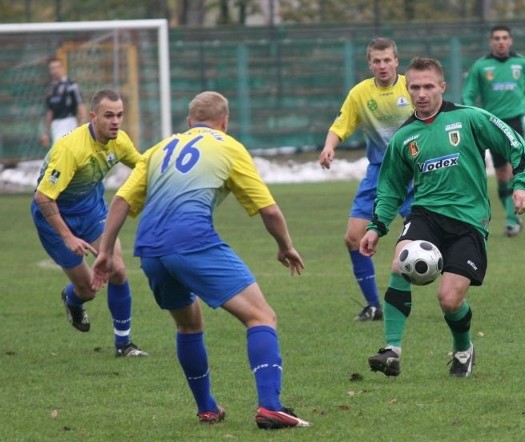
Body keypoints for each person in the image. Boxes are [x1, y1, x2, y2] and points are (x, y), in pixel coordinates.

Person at [91, 91, 311, 429]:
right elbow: (268, 209)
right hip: (192, 241)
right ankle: (270, 406)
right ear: (224, 122)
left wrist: (105, 251)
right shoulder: (228, 145)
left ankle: (207, 408)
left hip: (150, 250)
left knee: (188, 324)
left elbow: (120, 200)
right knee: (261, 317)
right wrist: (285, 246)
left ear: (189, 122)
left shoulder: (159, 149)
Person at [362, 57, 525, 378]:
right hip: (426, 214)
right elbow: (389, 187)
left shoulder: (470, 118)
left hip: (469, 222)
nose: (421, 93)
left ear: (442, 87)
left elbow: (517, 146)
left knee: (449, 300)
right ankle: (391, 350)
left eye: (429, 86)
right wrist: (377, 226)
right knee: (399, 262)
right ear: (407, 88)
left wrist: (522, 185)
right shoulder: (404, 138)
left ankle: (463, 350)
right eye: (414, 87)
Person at [31, 89, 148, 358]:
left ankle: (124, 344)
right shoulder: (71, 149)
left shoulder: (120, 141)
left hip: (92, 211)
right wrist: (67, 237)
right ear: (93, 117)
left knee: (117, 268)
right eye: (109, 116)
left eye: (119, 115)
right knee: (89, 289)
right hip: (54, 217)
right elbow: (43, 197)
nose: (116, 121)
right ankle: (73, 299)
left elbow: (144, 168)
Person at [319, 37, 413, 322]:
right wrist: (329, 146)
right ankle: (374, 305)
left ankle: (432, 290)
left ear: (396, 61)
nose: (382, 66)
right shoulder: (360, 93)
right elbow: (340, 125)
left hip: (413, 173)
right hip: (378, 173)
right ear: (369, 63)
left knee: (420, 238)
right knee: (353, 237)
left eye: (387, 60)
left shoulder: (412, 87)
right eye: (377, 61)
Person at [462, 24, 525, 237]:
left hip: (516, 121)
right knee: (501, 175)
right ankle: (512, 215)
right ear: (491, 42)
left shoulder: (521, 63)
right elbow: (469, 95)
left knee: (511, 169)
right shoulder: (481, 67)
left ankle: (511, 220)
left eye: (504, 37)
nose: (501, 41)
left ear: (510, 41)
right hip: (492, 124)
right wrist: (469, 115)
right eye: (497, 38)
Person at [40, 57, 87, 148]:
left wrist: (84, 122)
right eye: (52, 68)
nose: (54, 71)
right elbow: (50, 111)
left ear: (62, 68)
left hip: (69, 121)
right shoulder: (50, 89)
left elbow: (80, 104)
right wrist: (46, 132)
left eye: (57, 67)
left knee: (64, 149)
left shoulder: (72, 86)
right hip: (56, 124)